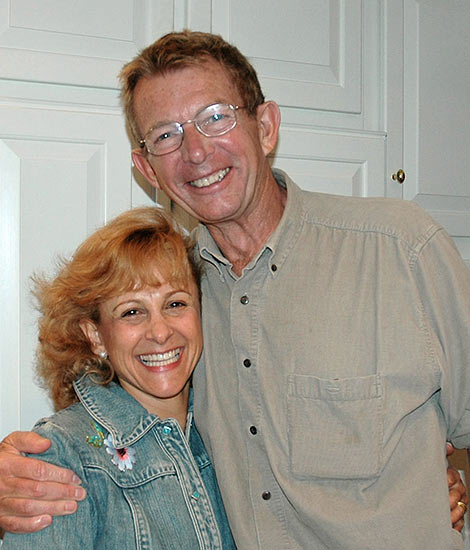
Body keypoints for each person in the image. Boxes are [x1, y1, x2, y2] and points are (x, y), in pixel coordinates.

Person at [0, 30, 469, 548]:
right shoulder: (184, 290)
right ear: (147, 168)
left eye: (216, 117)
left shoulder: (401, 251)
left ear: (265, 127)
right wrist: (18, 470)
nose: (196, 151)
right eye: (166, 135)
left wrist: (432, 486)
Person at [1, 207, 235, 549]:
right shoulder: (64, 455)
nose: (160, 332)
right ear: (95, 335)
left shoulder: (236, 431)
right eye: (132, 312)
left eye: (175, 304)